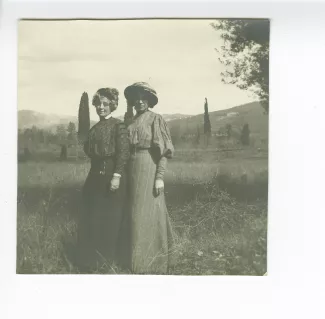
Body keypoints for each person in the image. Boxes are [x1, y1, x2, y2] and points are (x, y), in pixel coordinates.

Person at [123, 82, 175, 274]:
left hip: (149, 166)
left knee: (150, 214)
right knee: (134, 216)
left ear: (149, 101)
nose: (140, 102)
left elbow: (163, 151)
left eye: (144, 98)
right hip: (131, 169)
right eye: (136, 99)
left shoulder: (156, 119)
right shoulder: (130, 121)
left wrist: (159, 176)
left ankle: (155, 261)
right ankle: (135, 261)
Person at [76, 87, 130, 272]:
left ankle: (108, 261)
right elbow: (89, 151)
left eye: (106, 104)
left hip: (112, 176)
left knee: (110, 220)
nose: (101, 107)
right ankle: (91, 260)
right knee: (92, 218)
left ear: (113, 106)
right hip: (94, 177)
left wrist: (116, 176)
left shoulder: (118, 126)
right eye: (98, 104)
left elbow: (123, 153)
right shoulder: (94, 129)